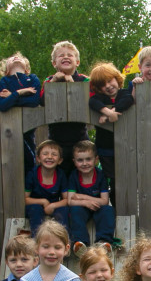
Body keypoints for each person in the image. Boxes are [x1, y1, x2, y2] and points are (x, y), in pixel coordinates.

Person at [41, 40, 90, 178]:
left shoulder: (84, 80)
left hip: (79, 136)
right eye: (61, 55)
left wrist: (72, 84)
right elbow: (42, 100)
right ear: (54, 63)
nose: (66, 57)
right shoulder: (49, 80)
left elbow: (89, 100)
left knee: (81, 173)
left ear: (77, 62)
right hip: (56, 137)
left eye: (70, 55)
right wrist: (54, 82)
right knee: (58, 174)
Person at [87, 62, 133, 195]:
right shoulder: (99, 98)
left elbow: (128, 100)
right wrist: (108, 113)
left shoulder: (124, 94)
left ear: (117, 78)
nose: (108, 86)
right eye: (102, 85)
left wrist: (111, 114)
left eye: (109, 81)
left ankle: (125, 208)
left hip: (125, 145)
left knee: (125, 177)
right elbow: (92, 102)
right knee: (112, 178)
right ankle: (114, 206)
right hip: (105, 148)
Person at [67, 140, 117, 253]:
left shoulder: (100, 175)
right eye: (80, 160)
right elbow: (70, 201)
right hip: (81, 209)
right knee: (74, 211)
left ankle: (104, 241)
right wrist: (85, 203)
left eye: (88, 159)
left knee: (108, 210)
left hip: (98, 207)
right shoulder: (73, 176)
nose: (84, 163)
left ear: (96, 159)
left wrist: (81, 196)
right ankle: (81, 243)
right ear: (74, 162)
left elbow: (104, 201)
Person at [0, 52, 41, 175]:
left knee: (29, 163)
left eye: (20, 58)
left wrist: (11, 96)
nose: (15, 58)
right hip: (8, 130)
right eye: (11, 59)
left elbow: (34, 101)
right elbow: (3, 105)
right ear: (6, 70)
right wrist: (21, 92)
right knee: (10, 165)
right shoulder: (5, 81)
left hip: (29, 129)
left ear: (26, 68)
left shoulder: (32, 79)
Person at [24, 140, 70, 234]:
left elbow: (67, 199)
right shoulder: (32, 174)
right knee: (35, 209)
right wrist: (43, 202)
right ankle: (36, 241)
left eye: (54, 154)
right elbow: (25, 199)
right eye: (45, 154)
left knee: (64, 210)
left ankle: (64, 240)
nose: (49, 157)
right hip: (35, 206)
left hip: (53, 206)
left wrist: (53, 206)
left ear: (60, 160)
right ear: (38, 158)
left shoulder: (60, 175)